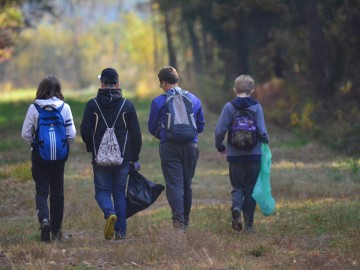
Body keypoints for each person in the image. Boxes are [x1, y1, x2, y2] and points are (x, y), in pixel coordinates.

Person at [80, 68, 142, 240]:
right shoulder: (127, 105)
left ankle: (109, 213)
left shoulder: (92, 104)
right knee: (119, 194)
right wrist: (134, 157)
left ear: (101, 84)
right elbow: (136, 135)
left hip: (100, 159)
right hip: (122, 158)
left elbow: (85, 131)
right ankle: (121, 233)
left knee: (101, 191)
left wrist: (93, 149)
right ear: (117, 84)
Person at [148, 66, 205, 231]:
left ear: (164, 83)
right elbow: (200, 125)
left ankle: (178, 223)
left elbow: (152, 127)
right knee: (187, 184)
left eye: (161, 84)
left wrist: (165, 136)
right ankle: (186, 220)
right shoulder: (194, 99)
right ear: (177, 80)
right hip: (191, 146)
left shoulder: (159, 101)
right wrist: (189, 135)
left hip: (169, 146)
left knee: (174, 184)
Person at [21, 75, 76, 242]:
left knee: (42, 190)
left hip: (40, 155)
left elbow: (25, 133)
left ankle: (44, 220)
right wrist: (63, 145)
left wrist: (35, 145)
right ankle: (56, 232)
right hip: (59, 156)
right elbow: (72, 134)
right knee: (57, 192)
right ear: (58, 90)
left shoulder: (34, 108)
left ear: (41, 89)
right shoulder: (64, 107)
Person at [214, 75, 269, 232]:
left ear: (235, 89)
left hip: (235, 156)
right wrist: (265, 141)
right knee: (250, 189)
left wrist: (220, 146)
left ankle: (236, 208)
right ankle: (249, 225)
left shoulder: (229, 107)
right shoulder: (257, 107)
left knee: (237, 186)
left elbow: (219, 130)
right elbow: (263, 132)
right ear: (252, 90)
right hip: (254, 156)